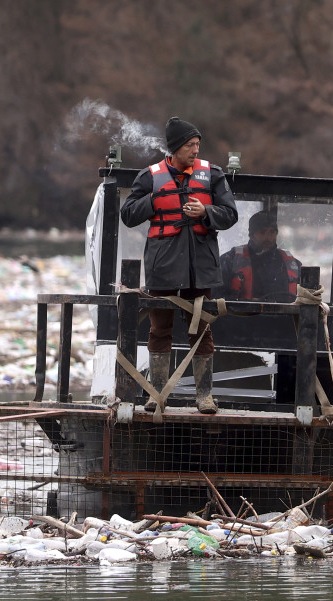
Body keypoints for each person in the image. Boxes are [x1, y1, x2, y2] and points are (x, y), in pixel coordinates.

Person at [120, 117, 238, 414]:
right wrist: (153, 201)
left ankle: (204, 398)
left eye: (198, 144)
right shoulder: (148, 177)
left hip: (201, 268)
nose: (195, 150)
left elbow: (230, 214)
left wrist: (205, 211)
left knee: (201, 330)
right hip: (162, 268)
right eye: (189, 145)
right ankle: (155, 394)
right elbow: (128, 215)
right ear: (174, 149)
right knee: (159, 330)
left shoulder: (213, 174)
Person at [219, 209, 301, 303]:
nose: (268, 237)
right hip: (241, 316)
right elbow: (216, 296)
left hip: (286, 316)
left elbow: (308, 297)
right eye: (262, 232)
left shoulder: (292, 264)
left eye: (272, 232)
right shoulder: (230, 260)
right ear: (251, 235)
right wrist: (242, 303)